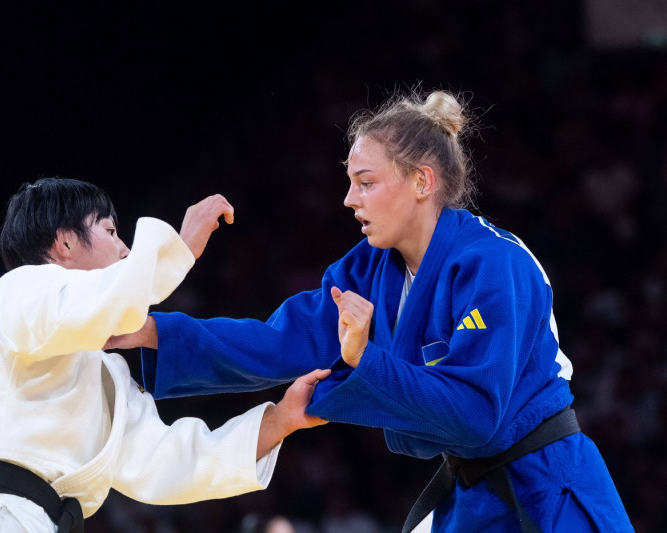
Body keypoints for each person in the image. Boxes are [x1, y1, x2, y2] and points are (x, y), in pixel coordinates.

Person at [106, 89, 634, 531]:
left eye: (366, 182)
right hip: (472, 494)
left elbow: (475, 416)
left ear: (422, 182)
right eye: (350, 181)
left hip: (549, 488)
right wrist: (154, 332)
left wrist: (360, 363)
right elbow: (279, 342)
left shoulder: (493, 265)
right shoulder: (368, 269)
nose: (348, 199)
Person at [0, 177, 330, 533]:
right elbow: (106, 301)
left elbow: (166, 460)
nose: (124, 249)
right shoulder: (17, 292)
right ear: (65, 241)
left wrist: (279, 420)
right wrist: (178, 252)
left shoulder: (102, 366)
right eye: (109, 230)